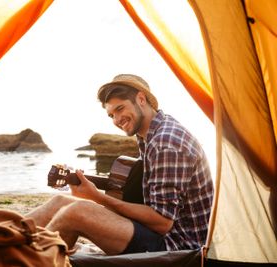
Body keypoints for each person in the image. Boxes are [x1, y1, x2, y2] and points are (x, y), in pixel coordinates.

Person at [26, 74, 214, 255]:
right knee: (60, 202)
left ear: (141, 99)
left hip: (178, 246)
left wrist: (96, 198)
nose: (116, 120)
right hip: (161, 234)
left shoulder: (166, 143)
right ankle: (1, 242)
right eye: (111, 115)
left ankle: (29, 260)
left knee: (75, 212)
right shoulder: (150, 135)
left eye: (120, 109)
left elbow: (162, 221)